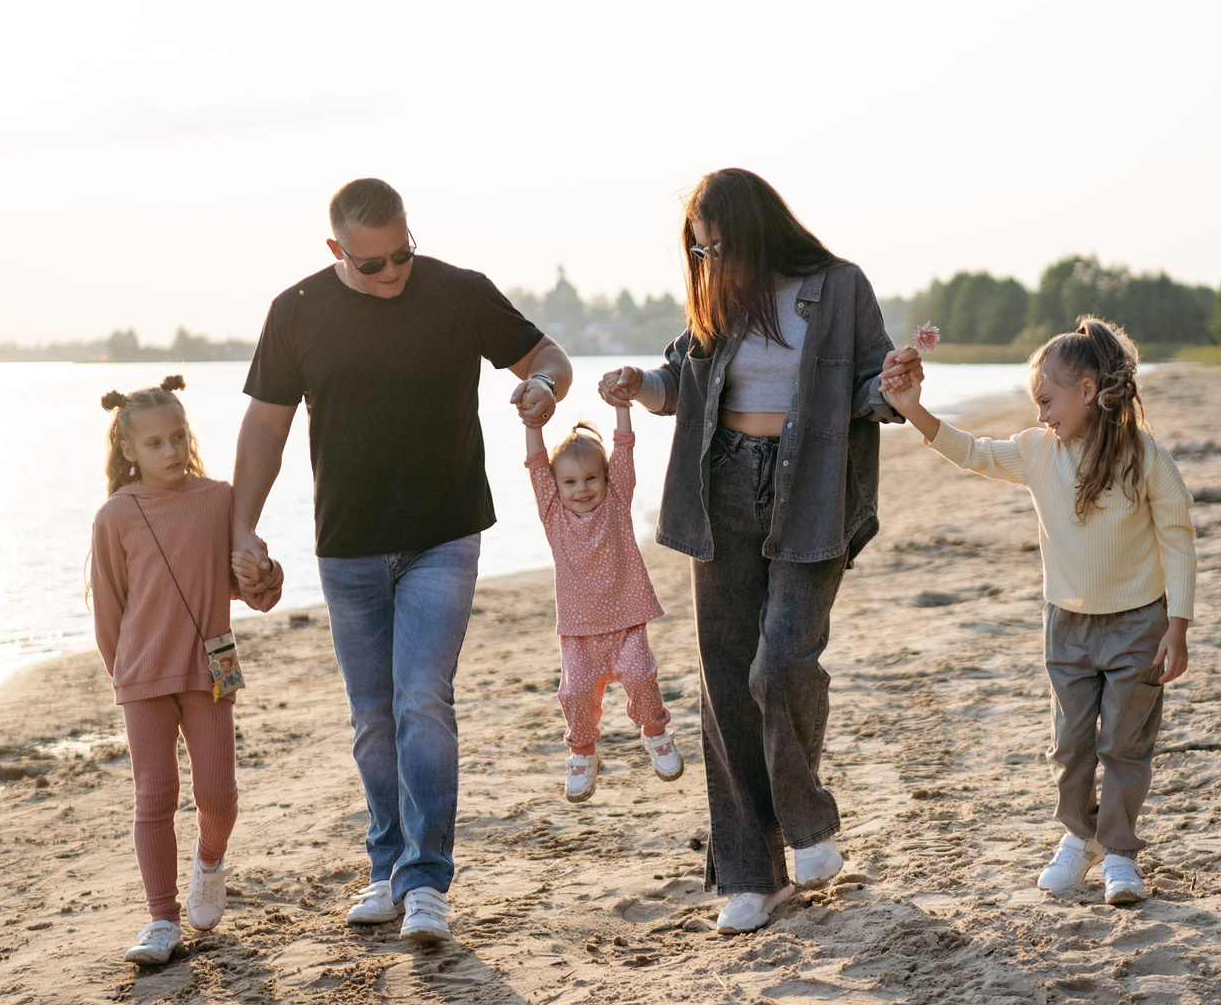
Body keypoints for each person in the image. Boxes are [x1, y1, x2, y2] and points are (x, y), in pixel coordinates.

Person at [230, 178, 570, 945]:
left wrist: (545, 386)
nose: (392, 272)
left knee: (421, 697)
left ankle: (425, 879)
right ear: (336, 250)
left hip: (443, 535)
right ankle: (386, 864)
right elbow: (265, 428)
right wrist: (241, 528)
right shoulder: (297, 311)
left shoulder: (459, 292)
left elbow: (546, 356)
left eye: (402, 253)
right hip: (347, 544)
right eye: (372, 262)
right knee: (372, 716)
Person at [597, 169, 900, 934]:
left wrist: (896, 385)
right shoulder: (717, 295)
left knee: (784, 660)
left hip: (812, 488)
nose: (708, 261)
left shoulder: (840, 286)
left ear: (756, 229)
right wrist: (638, 382)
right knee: (727, 679)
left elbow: (874, 385)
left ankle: (807, 821)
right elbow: (681, 380)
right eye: (698, 251)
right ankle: (749, 874)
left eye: (717, 245)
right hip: (721, 486)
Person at [880, 317, 1195, 907]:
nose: (1041, 414)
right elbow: (972, 452)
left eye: (1047, 401)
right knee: (1070, 745)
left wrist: (1178, 627)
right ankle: (1079, 837)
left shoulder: (1144, 455)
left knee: (1124, 746)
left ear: (1087, 390)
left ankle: (1119, 853)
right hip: (1067, 627)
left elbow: (1177, 537)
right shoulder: (1036, 451)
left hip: (1139, 626)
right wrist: (912, 409)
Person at [88, 376, 285, 966]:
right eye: (154, 443)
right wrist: (126, 675)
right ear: (129, 449)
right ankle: (161, 919)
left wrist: (265, 574)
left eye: (178, 436)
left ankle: (209, 861)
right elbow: (108, 609)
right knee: (154, 796)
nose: (171, 451)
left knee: (218, 795)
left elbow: (253, 590)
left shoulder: (219, 499)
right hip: (143, 677)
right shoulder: (115, 516)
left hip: (211, 666)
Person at [521, 402, 685, 803]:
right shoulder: (553, 516)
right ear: (555, 487)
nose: (582, 488)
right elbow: (536, 466)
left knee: (641, 676)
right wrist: (532, 425)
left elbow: (624, 451)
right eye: (570, 482)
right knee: (575, 692)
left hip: (626, 620)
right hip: (579, 631)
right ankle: (583, 754)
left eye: (591, 478)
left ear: (607, 479)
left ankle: (655, 734)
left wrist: (622, 408)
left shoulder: (616, 503)